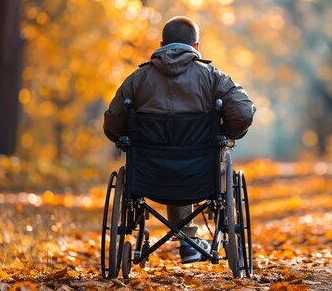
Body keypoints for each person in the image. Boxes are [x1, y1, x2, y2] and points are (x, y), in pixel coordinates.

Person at [103, 16, 256, 263]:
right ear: (196, 46)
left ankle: (188, 238)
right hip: (201, 176)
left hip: (149, 175)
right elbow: (243, 112)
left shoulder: (137, 79)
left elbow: (113, 124)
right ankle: (190, 241)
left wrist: (126, 137)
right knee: (215, 154)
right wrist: (226, 133)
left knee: (170, 160)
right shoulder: (213, 77)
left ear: (162, 43)